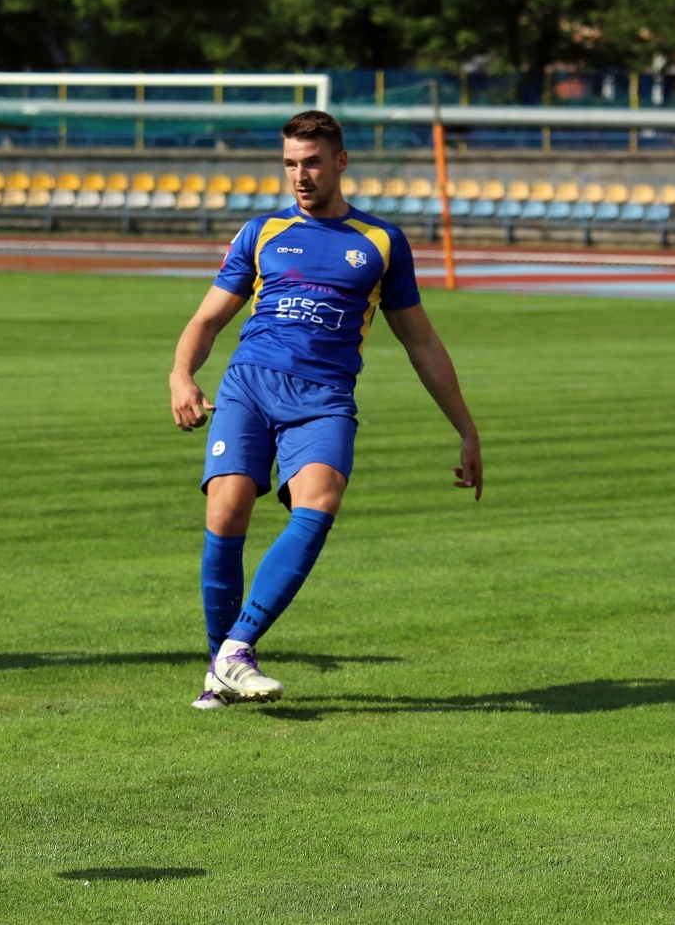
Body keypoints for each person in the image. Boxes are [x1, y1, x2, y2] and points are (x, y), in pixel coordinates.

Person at [169, 110, 483, 710]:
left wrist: (466, 430)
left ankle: (235, 650)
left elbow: (422, 342)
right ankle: (222, 666)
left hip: (325, 398)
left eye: (311, 162)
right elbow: (207, 320)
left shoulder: (381, 243)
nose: (300, 175)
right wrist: (181, 375)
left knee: (320, 501)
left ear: (340, 162)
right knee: (228, 508)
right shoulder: (260, 232)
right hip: (250, 386)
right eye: (290, 163)